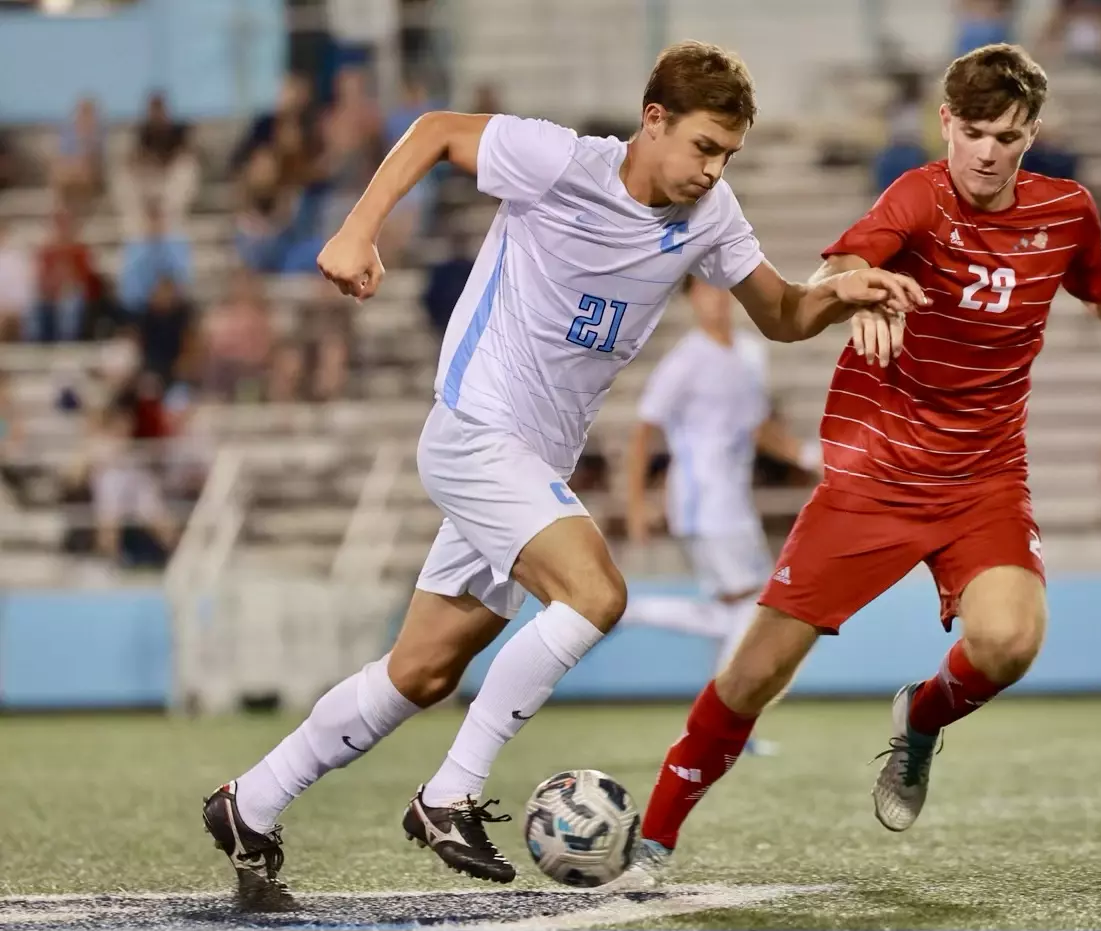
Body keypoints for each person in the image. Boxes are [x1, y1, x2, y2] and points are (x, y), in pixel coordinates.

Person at [199, 40, 924, 912]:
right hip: (474, 429)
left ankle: (251, 802)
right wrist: (358, 229)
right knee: (595, 594)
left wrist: (846, 293)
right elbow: (433, 131)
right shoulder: (559, 161)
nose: (712, 169)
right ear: (652, 120)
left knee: (424, 670)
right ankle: (448, 794)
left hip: (527, 462)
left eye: (727, 154)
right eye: (702, 146)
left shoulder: (712, 214)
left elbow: (779, 314)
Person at [609, 42, 1101, 890]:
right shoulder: (916, 195)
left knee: (1011, 641)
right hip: (873, 476)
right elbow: (841, 260)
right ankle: (652, 838)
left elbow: (1098, 280)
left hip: (983, 478)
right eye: (974, 131)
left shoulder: (1065, 210)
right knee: (755, 668)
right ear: (945, 122)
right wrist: (858, 289)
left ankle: (920, 715)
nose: (987, 152)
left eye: (1008, 137)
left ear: (1030, 135)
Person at [621, 276, 820, 751]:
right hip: (700, 501)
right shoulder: (684, 361)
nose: (715, 301)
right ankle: (722, 729)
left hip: (734, 501)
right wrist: (635, 504)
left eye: (720, 290)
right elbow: (643, 432)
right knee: (756, 607)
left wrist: (805, 456)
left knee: (734, 612)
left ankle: (631, 613)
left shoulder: (751, 352)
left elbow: (756, 426)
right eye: (704, 292)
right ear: (692, 300)